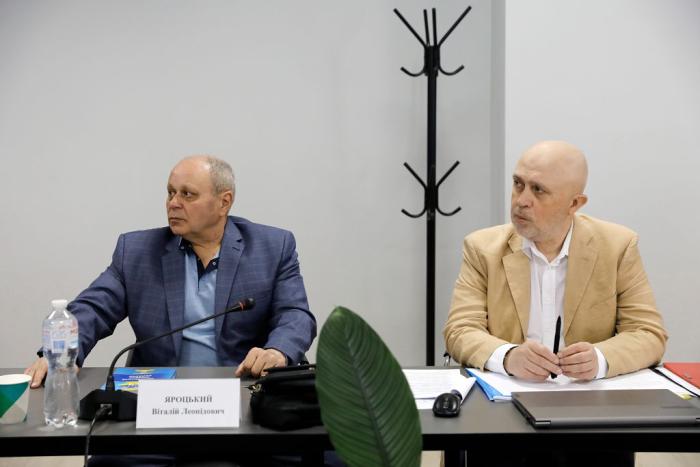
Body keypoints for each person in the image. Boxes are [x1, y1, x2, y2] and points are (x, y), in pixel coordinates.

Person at [443, 141, 668, 467]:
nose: (521, 200)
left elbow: (648, 333)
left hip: (592, 412)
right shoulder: (482, 248)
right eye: (518, 184)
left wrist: (600, 358)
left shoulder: (617, 246)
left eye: (538, 190)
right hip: (505, 411)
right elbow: (460, 330)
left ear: (575, 203)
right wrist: (508, 356)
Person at [26, 155, 316, 387]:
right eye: (170, 193)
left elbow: (295, 314)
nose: (173, 203)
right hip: (159, 396)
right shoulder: (137, 251)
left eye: (188, 194)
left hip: (242, 389)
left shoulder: (272, 247)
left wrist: (277, 351)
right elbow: (94, 308)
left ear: (224, 202)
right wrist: (61, 354)